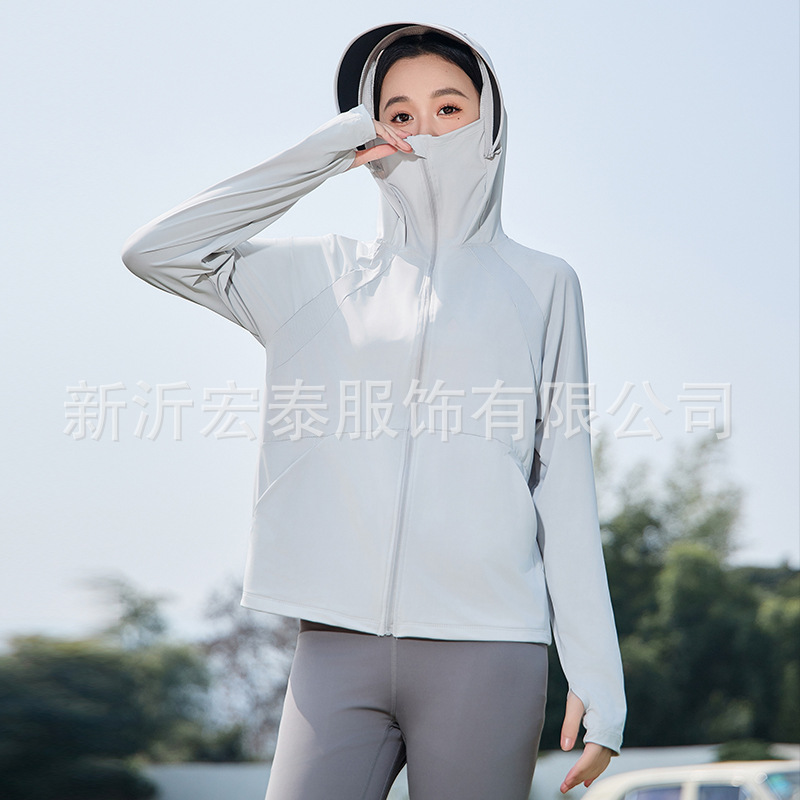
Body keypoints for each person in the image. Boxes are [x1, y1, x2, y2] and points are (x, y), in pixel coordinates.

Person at [122, 22, 626, 800]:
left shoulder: (543, 285)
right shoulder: (317, 276)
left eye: (449, 108)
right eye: (398, 114)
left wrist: (597, 675)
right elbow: (159, 250)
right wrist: (330, 148)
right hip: (334, 644)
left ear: (490, 123)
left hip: (488, 646)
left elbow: (564, 485)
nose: (425, 130)